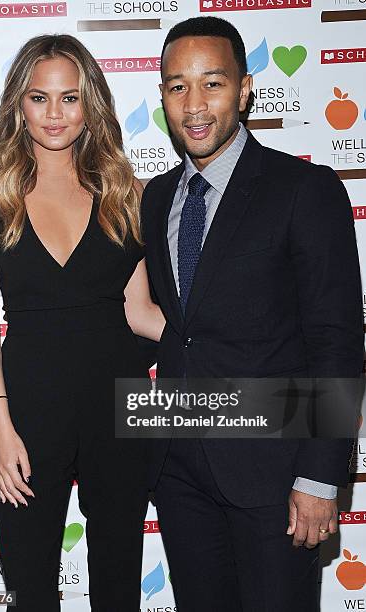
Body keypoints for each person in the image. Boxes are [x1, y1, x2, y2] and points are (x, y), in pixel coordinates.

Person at [140, 16, 364, 611]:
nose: (194, 104)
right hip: (180, 468)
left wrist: (320, 477)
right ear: (162, 95)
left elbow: (337, 342)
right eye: (176, 86)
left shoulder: (305, 189)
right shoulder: (156, 196)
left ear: (244, 89)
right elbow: (181, 330)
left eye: (211, 83)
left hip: (277, 473)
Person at [0, 34, 164, 612]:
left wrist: (222, 348)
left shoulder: (126, 194)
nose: (55, 114)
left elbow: (139, 311)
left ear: (90, 104)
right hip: (28, 410)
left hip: (121, 409)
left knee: (120, 581)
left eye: (69, 98)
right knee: (29, 585)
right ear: (18, 108)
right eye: (39, 98)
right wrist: (1, 430)